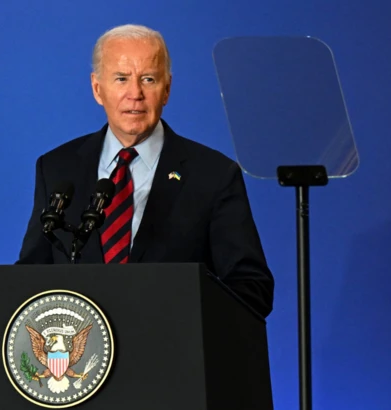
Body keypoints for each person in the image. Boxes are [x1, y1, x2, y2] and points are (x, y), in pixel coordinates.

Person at [17, 24, 274, 318]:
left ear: (167, 89)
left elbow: (251, 288)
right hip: (85, 357)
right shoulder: (57, 168)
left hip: (175, 353)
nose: (135, 93)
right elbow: (29, 277)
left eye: (148, 79)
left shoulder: (214, 174)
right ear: (97, 89)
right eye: (121, 78)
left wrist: (181, 319)